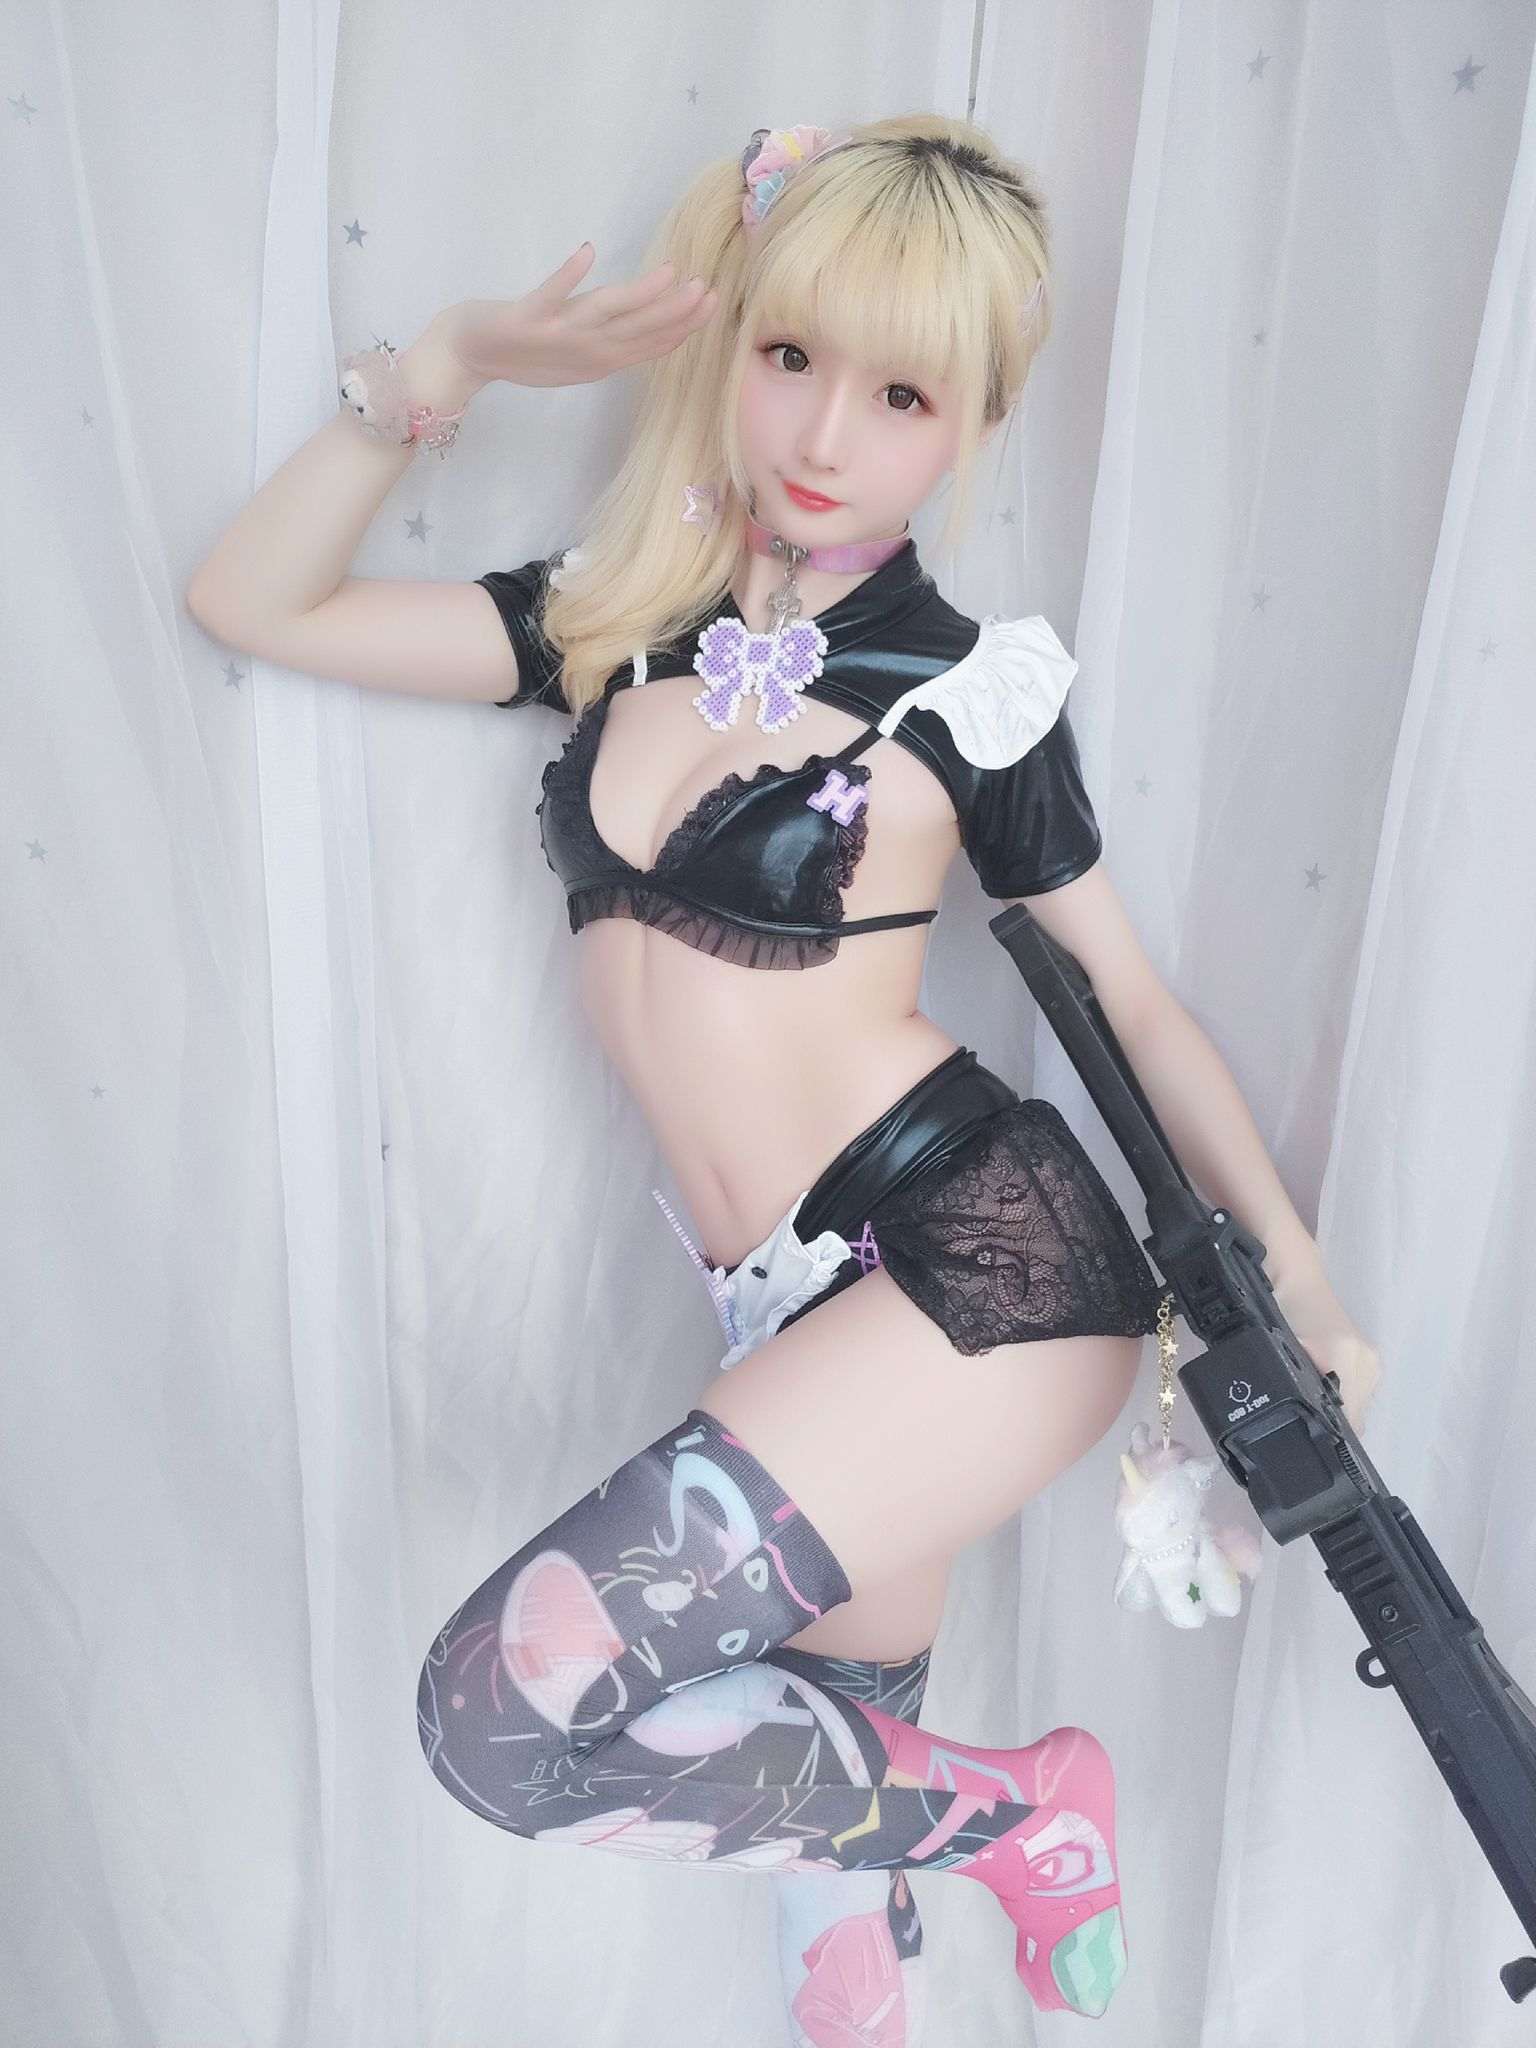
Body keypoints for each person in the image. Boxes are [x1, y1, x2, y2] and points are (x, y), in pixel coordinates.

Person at [187, 112, 1375, 2046]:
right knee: (829, 1927)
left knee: (504, 1716)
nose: (825, 433)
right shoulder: (610, 625)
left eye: (900, 395)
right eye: (792, 356)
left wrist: (1302, 1285)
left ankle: (1033, 1819)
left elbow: (1133, 1008)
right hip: (780, 1306)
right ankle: (957, 1863)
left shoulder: (966, 690)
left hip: (981, 1270)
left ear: (975, 423)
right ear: (732, 342)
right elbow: (255, 600)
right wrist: (448, 365)